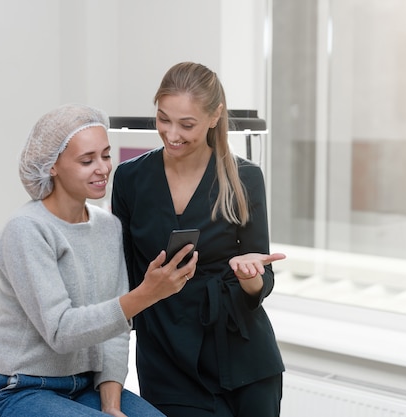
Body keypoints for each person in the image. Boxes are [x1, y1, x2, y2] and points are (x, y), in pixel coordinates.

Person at [0, 103, 198, 417]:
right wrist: (146, 294)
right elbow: (62, 332)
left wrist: (112, 406)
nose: (103, 168)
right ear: (52, 165)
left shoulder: (107, 227)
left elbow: (116, 330)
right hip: (16, 390)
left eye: (106, 155)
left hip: (83, 386)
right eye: (86, 160)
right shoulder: (26, 230)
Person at [111, 62, 286, 417]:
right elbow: (122, 279)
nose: (172, 133)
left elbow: (261, 282)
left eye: (186, 124)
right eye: (163, 119)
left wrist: (250, 277)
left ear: (214, 117)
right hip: (166, 356)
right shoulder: (130, 179)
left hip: (244, 358)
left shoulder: (245, 178)